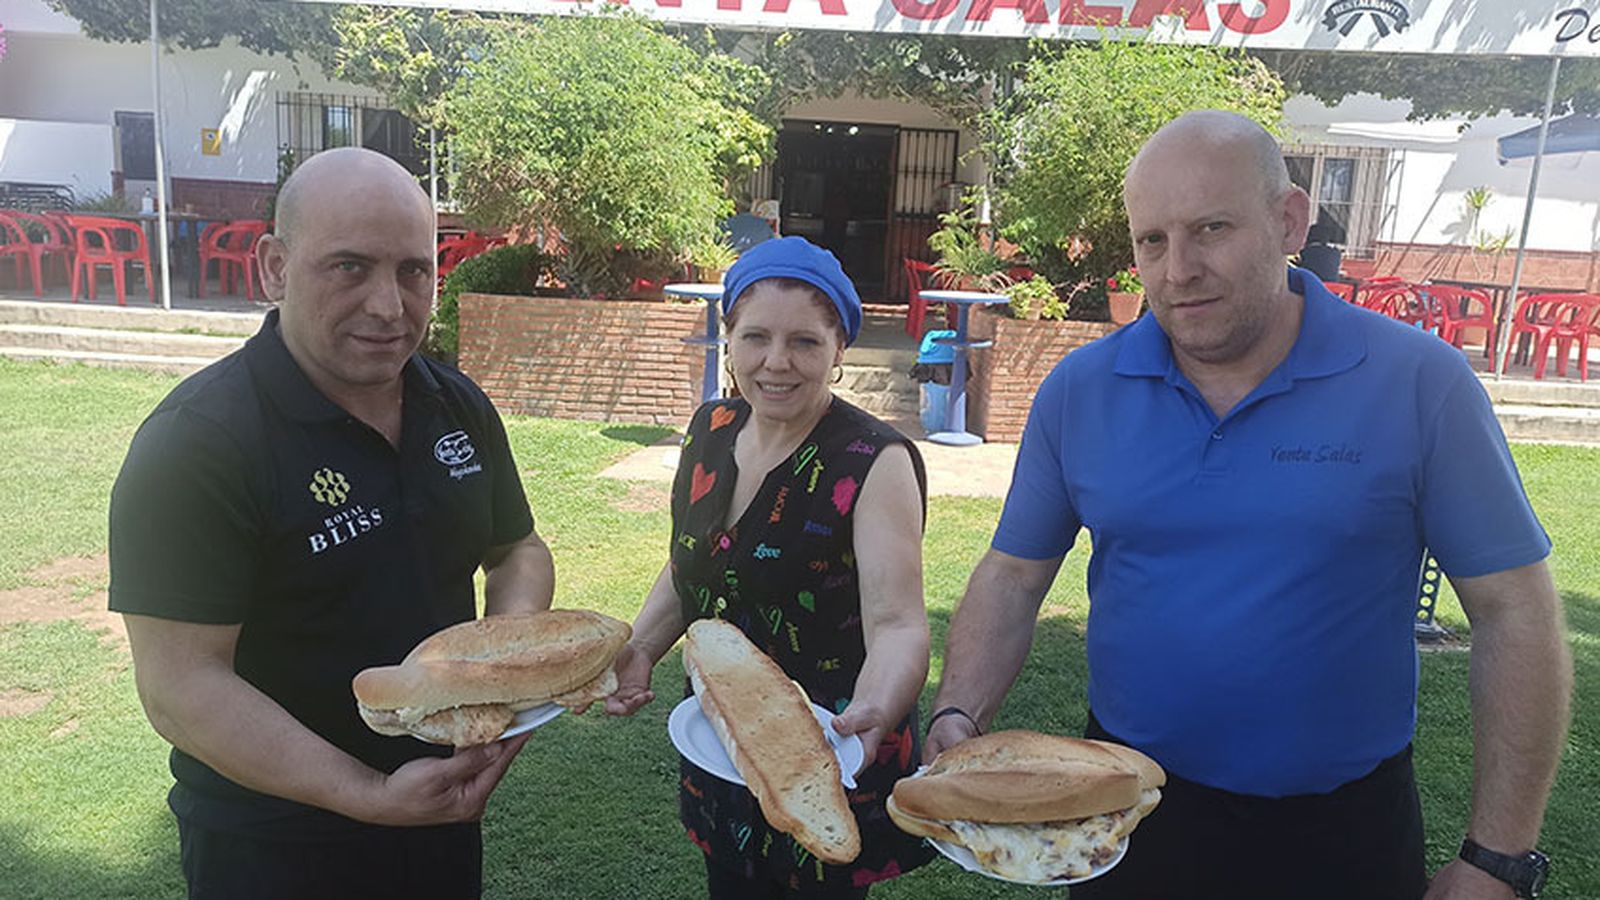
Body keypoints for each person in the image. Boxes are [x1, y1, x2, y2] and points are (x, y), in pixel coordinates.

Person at [925, 111, 1571, 900]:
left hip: (1342, 831)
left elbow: (1514, 608)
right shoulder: (1080, 391)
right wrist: (957, 715)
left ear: (1289, 221)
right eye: (1152, 241)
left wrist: (1499, 856)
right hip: (1128, 821)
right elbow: (1013, 576)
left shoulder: (1418, 382)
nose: (1178, 270)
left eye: (1212, 229)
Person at [108, 148, 555, 899]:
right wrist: (368, 795)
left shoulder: (456, 404)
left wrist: (497, 670)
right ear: (274, 268)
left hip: (440, 812)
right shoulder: (197, 444)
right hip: (273, 843)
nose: (389, 306)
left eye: (413, 271)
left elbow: (516, 548)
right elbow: (180, 685)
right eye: (350, 266)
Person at [605, 236, 935, 898]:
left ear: (839, 349)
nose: (776, 362)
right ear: (728, 338)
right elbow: (692, 565)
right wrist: (640, 649)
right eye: (755, 337)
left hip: (831, 752)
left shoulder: (874, 460)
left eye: (805, 342)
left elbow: (898, 623)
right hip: (724, 740)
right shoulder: (710, 429)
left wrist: (876, 707)